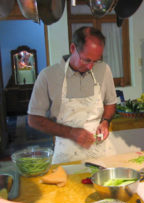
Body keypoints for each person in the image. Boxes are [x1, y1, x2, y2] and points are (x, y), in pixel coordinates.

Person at [28, 26, 117, 164]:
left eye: (96, 60)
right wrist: (70, 132)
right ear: (72, 48)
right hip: (66, 155)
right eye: (87, 60)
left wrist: (105, 121)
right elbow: (34, 119)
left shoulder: (104, 70)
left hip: (101, 154)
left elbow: (110, 103)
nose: (91, 66)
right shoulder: (48, 76)